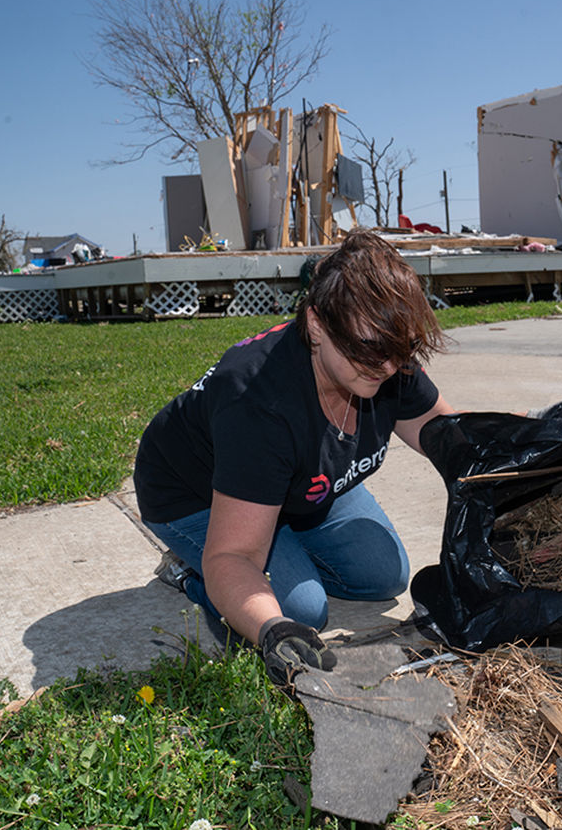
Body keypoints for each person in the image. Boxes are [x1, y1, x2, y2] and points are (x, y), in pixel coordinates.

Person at [133, 230, 454, 685]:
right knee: (300, 610)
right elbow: (234, 555)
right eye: (366, 351)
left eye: (399, 353)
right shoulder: (259, 403)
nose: (385, 369)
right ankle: (188, 570)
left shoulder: (383, 354)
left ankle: (280, 537)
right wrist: (271, 629)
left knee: (385, 576)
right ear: (317, 324)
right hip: (194, 492)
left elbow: (446, 434)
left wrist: (531, 442)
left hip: (296, 484)